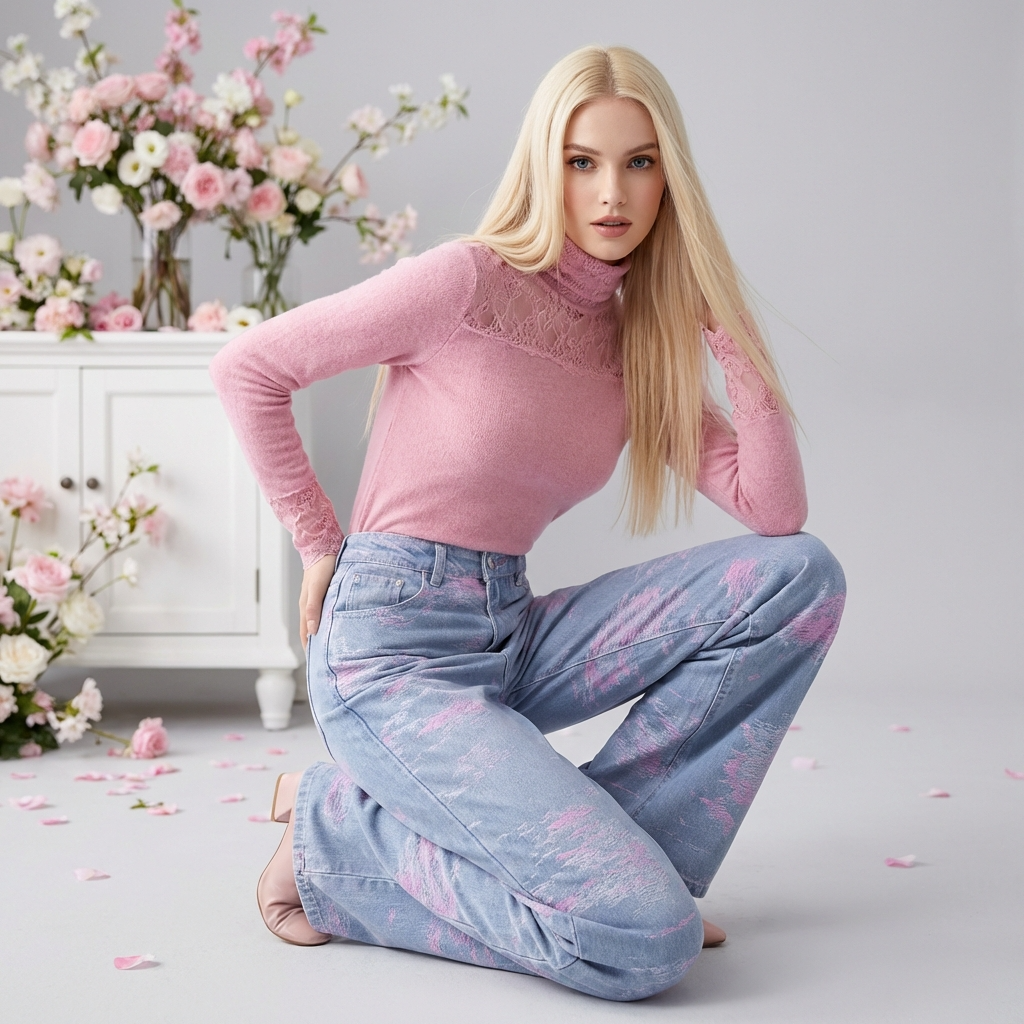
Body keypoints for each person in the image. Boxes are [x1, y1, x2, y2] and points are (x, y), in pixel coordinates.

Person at [209, 44, 846, 1002]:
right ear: (545, 165)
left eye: (639, 162)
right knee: (648, 948)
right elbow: (247, 369)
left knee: (802, 575)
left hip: (509, 630)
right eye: (582, 161)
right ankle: (340, 833)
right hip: (392, 648)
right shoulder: (466, 282)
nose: (611, 193)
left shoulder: (637, 345)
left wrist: (729, 332)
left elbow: (775, 510)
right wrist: (316, 542)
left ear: (668, 175)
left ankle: (635, 871)